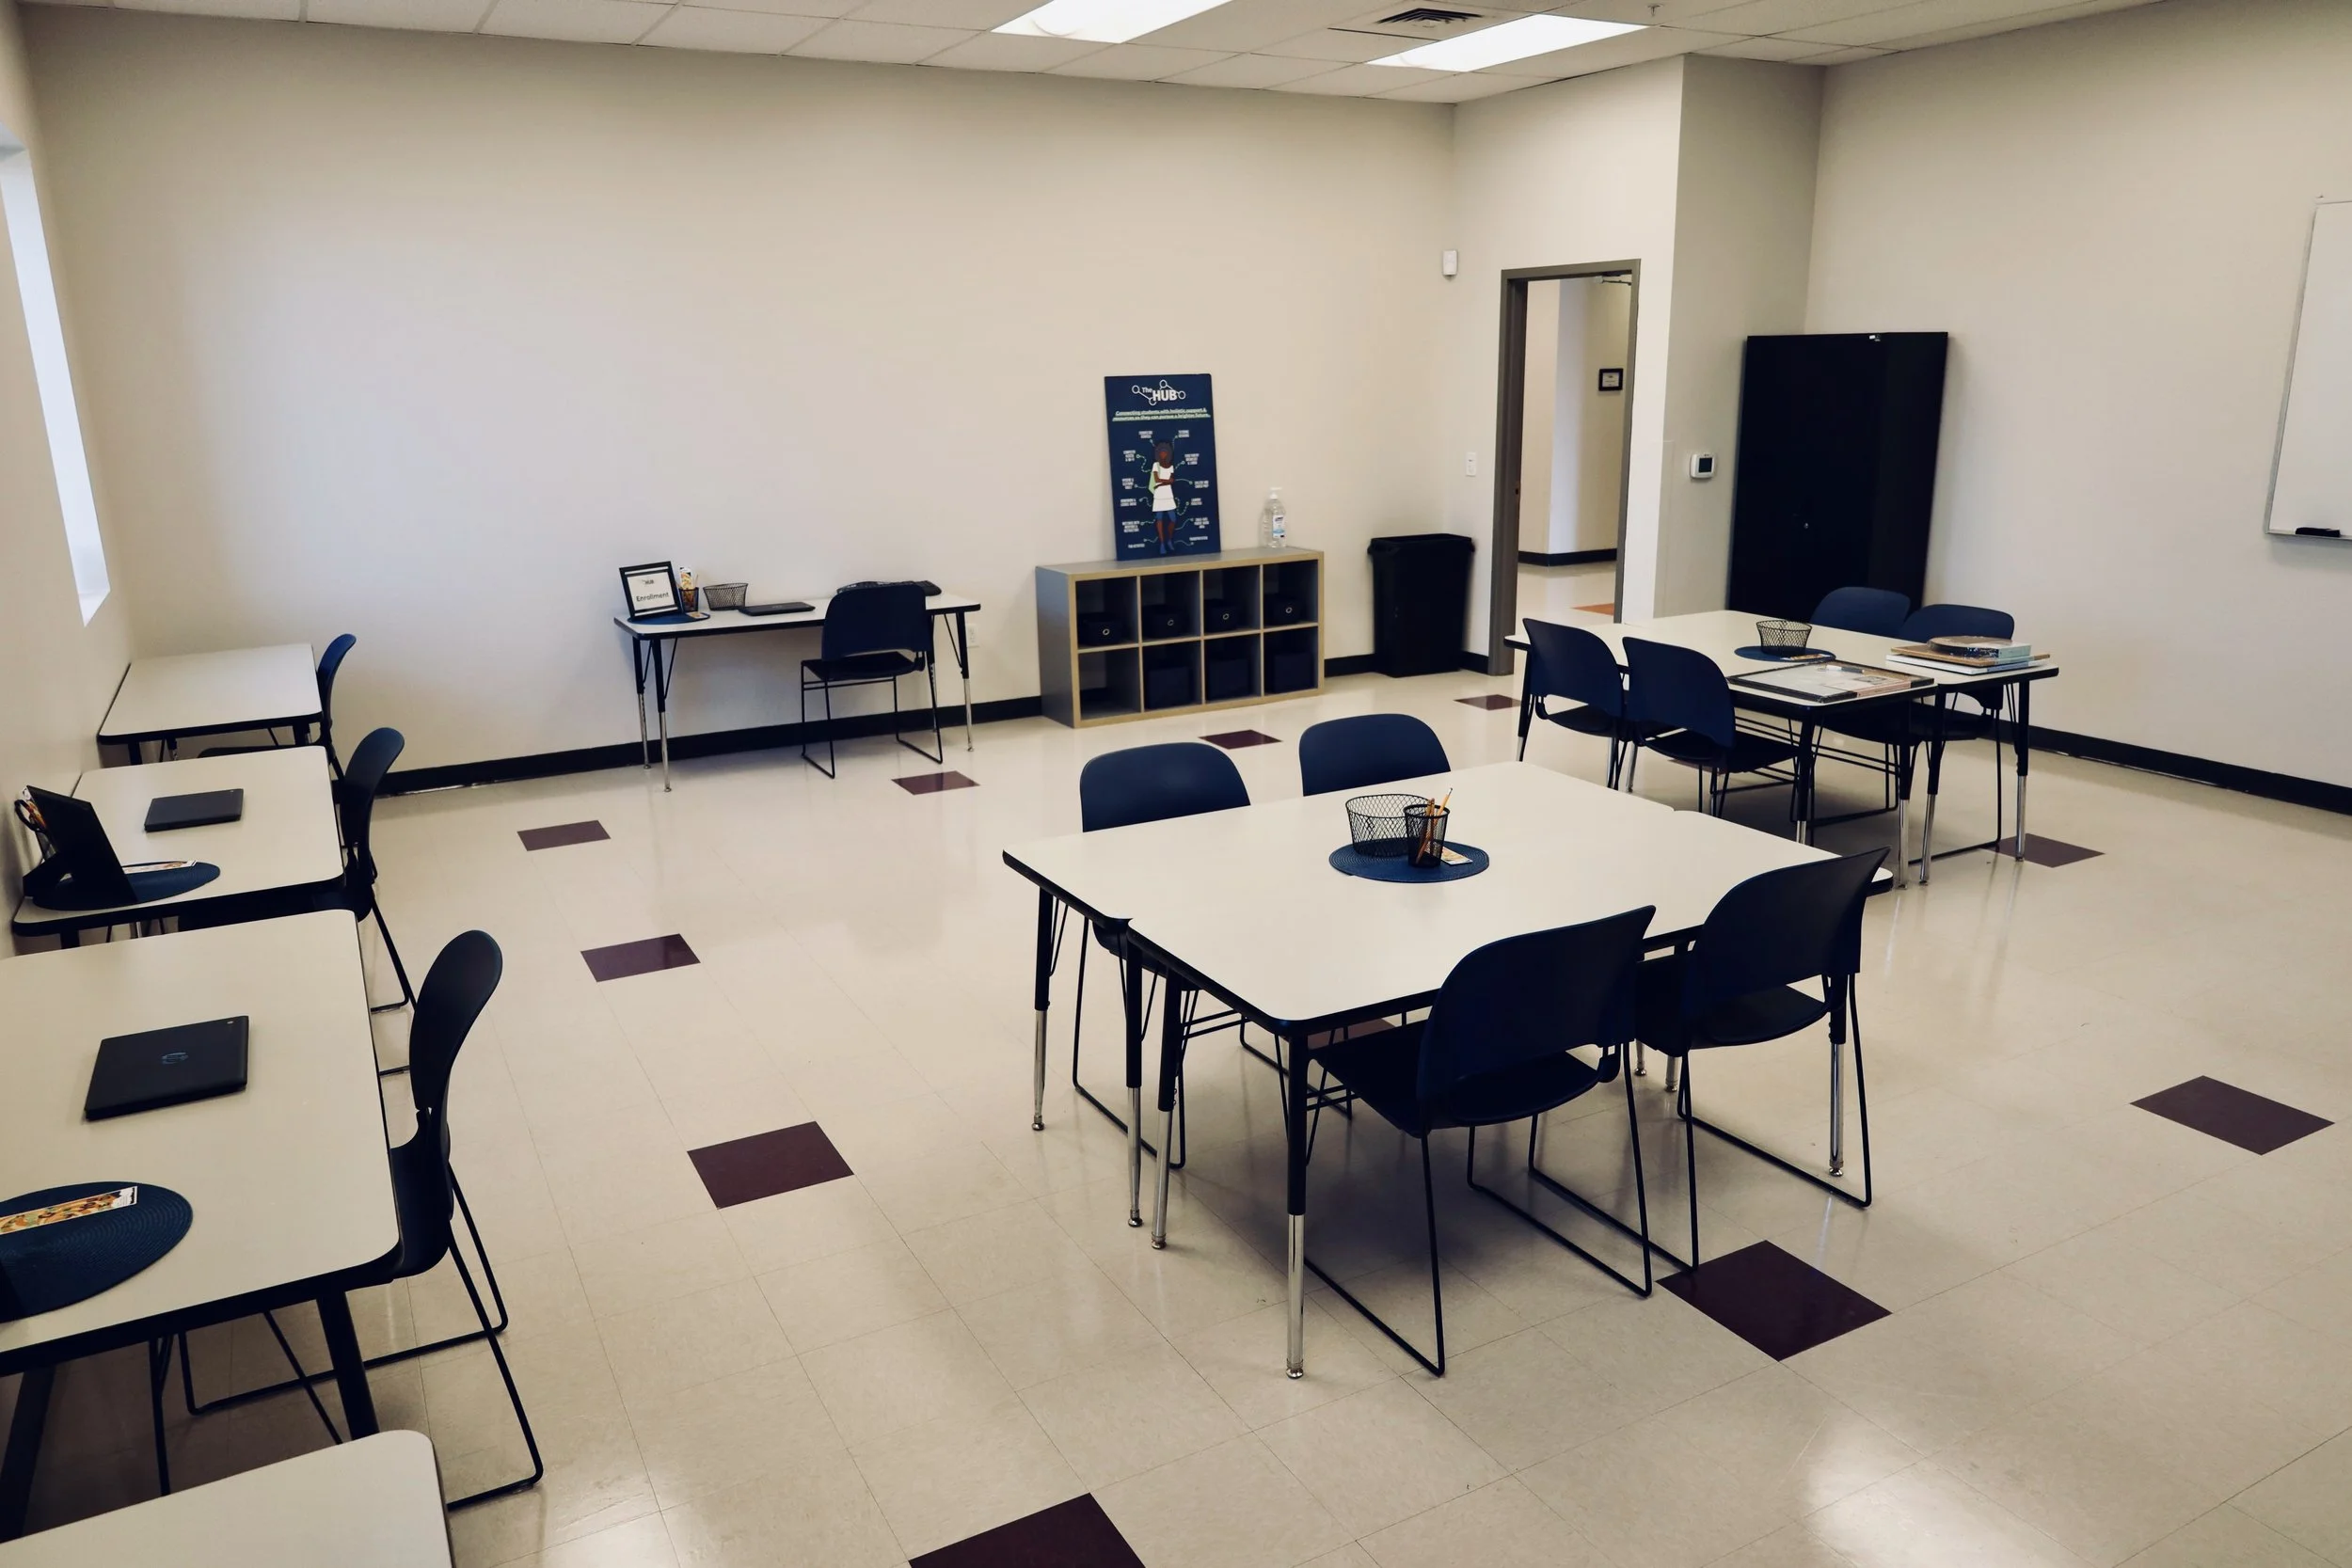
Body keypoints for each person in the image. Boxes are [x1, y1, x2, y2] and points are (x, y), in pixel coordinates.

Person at [1148, 443, 1178, 555]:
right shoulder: (1156, 465)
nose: (1163, 454)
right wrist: (1167, 482)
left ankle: (1169, 539)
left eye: (1165, 452)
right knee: (1159, 519)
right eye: (1161, 452)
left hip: (1168, 495)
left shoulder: (1170, 466)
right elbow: (1156, 479)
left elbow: (1171, 480)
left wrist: (1162, 482)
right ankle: (1162, 543)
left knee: (1173, 519)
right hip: (1159, 495)